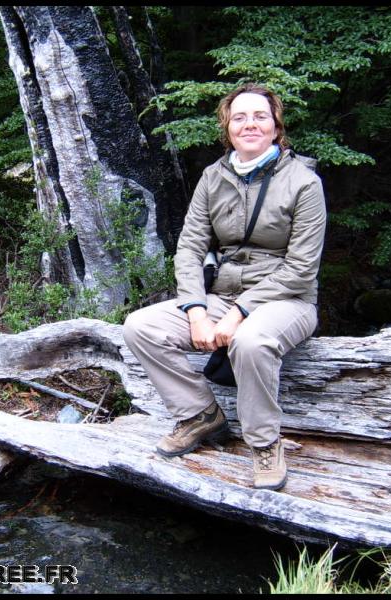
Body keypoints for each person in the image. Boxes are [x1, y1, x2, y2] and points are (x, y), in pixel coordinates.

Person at [122, 82, 326, 491]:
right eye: (240, 117)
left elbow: (302, 268)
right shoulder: (213, 177)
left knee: (249, 341)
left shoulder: (304, 182)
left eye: (260, 116)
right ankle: (200, 415)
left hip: (287, 299)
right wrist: (195, 309)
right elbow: (189, 248)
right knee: (140, 326)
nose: (250, 124)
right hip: (222, 294)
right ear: (228, 127)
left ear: (275, 126)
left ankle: (265, 444)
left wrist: (239, 312)